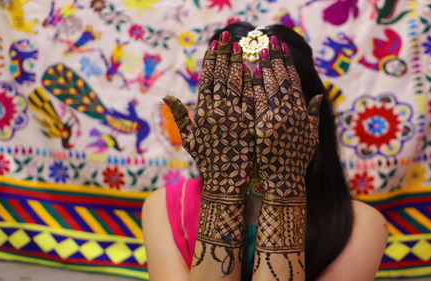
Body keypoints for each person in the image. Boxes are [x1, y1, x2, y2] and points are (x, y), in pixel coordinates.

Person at [142, 22, 388, 281]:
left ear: (310, 116)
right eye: (233, 101)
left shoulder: (360, 225)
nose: (256, 123)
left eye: (273, 102)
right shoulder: (166, 207)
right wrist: (223, 184)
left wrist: (284, 184)